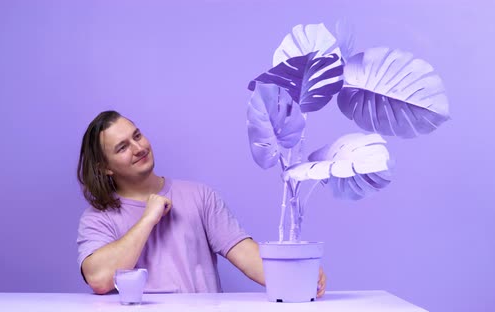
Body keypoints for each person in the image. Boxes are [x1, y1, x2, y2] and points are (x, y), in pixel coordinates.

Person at [76, 110, 326, 296]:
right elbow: (99, 279)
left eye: (137, 136)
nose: (138, 147)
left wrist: (298, 275)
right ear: (105, 168)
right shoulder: (98, 217)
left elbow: (245, 254)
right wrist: (147, 219)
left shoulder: (200, 196)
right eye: (122, 147)